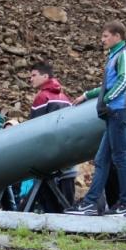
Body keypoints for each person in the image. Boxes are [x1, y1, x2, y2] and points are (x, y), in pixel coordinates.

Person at [68, 21, 126, 216]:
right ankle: (91, 202)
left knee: (120, 158)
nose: (102, 40)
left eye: (105, 36)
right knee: (102, 159)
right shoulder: (115, 56)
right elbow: (110, 85)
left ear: (117, 36)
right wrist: (87, 95)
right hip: (115, 113)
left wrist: (107, 99)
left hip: (119, 111)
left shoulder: (124, 53)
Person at [27, 62, 76, 211]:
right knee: (66, 202)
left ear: (45, 76)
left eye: (34, 75)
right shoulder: (64, 97)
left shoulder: (42, 97)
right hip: (66, 155)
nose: (31, 79)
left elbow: (34, 128)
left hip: (48, 157)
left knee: (49, 201)